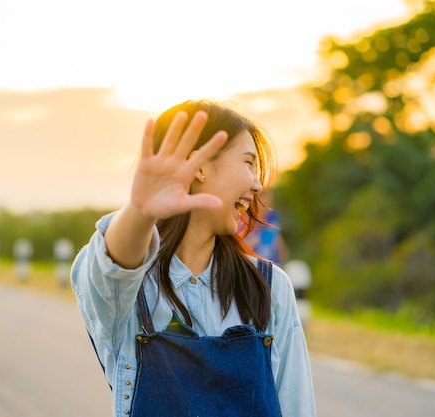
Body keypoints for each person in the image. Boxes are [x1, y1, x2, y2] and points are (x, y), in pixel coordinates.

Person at [71, 100, 317, 417]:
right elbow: (113, 266)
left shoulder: (270, 288)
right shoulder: (131, 294)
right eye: (247, 162)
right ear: (199, 167)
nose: (257, 185)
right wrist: (141, 210)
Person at [244, 190, 290, 266]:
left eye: (268, 203)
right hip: (255, 264)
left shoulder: (271, 217)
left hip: (273, 263)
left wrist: (282, 250)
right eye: (263, 203)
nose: (265, 207)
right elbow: (241, 247)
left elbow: (277, 238)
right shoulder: (246, 220)